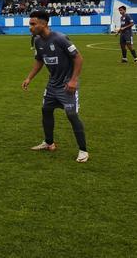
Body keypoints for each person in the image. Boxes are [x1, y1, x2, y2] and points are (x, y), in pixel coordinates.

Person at [22, 10, 89, 163]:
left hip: (67, 85)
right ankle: (49, 142)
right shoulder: (38, 41)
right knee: (46, 110)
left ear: (43, 24)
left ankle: (83, 150)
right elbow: (39, 60)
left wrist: (73, 80)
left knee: (72, 115)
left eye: (33, 24)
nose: (30, 27)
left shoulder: (60, 38)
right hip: (52, 85)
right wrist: (29, 78)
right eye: (29, 24)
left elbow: (78, 58)